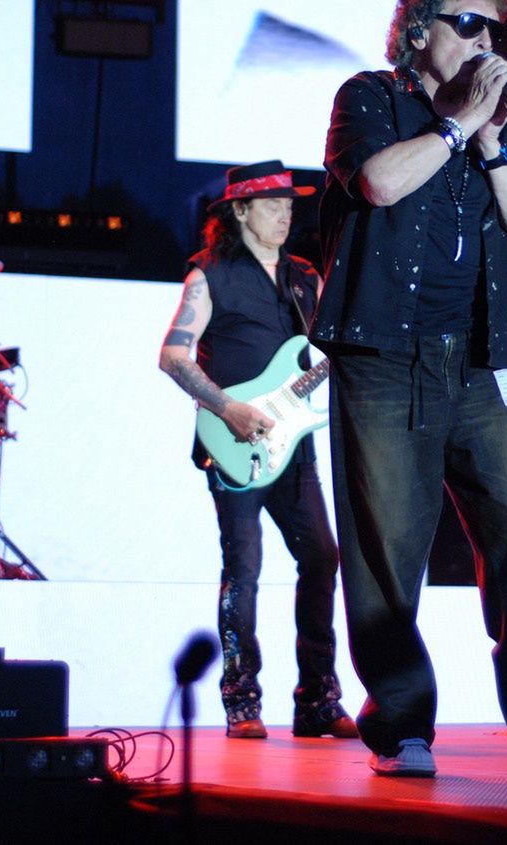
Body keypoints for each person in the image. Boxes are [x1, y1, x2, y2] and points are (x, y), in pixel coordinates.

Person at [311, 0, 507, 777]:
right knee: (387, 550)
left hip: (477, 364)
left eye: (493, 31)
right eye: (468, 24)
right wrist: (459, 126)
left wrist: (493, 141)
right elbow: (377, 183)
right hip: (383, 359)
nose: (484, 42)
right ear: (418, 32)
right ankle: (402, 723)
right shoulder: (369, 98)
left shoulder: (489, 126)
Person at [158, 161, 356, 741]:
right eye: (272, 205)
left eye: (289, 206)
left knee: (322, 558)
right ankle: (241, 700)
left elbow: (325, 351)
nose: (285, 215)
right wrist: (228, 408)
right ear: (240, 211)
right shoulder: (209, 274)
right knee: (243, 567)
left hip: (293, 446)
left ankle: (317, 700)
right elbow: (173, 355)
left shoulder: (304, 277)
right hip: (233, 444)